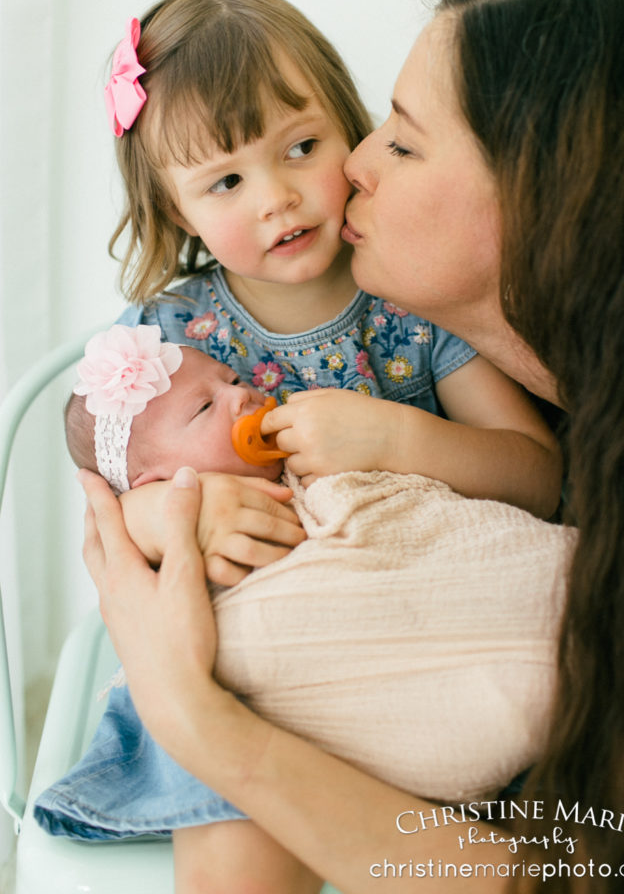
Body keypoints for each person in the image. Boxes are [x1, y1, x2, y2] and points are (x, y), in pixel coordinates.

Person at [80, 0, 624, 891]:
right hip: (264, 667)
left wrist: (395, 440)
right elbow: (113, 494)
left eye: (309, 145)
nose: (286, 193)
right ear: (173, 206)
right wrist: (172, 522)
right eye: (225, 180)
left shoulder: (414, 317)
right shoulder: (171, 338)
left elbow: (542, 476)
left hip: (418, 645)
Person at [36, 324, 573, 876]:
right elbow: (110, 529)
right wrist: (175, 511)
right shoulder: (179, 513)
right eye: (204, 409)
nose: (241, 395)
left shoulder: (332, 457)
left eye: (232, 379)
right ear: (155, 480)